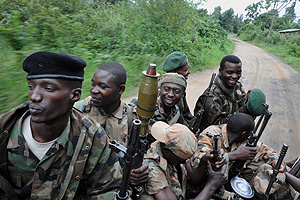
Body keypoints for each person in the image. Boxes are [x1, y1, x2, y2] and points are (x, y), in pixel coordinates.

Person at [0, 51, 122, 199]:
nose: (34, 96)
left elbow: (109, 189)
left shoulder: (93, 137)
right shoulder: (5, 130)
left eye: (48, 88)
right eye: (31, 87)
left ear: (75, 95)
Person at [189, 112, 295, 199]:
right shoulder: (211, 134)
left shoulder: (242, 139)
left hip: (228, 179)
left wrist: (275, 160)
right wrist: (233, 155)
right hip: (205, 186)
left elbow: (265, 150)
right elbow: (198, 162)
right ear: (244, 133)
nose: (250, 136)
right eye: (250, 133)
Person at [74, 62, 148, 184]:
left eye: (102, 87)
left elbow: (139, 152)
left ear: (120, 89)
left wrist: (142, 168)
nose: (94, 90)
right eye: (93, 84)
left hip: (113, 183)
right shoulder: (80, 109)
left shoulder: (131, 118)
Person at [141, 121, 228, 200]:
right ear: (167, 150)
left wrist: (203, 161)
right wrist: (212, 185)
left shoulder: (175, 148)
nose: (183, 162)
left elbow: (193, 178)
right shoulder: (152, 168)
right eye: (180, 160)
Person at [194, 55, 266, 132]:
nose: (235, 76)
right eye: (230, 72)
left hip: (233, 132)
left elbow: (245, 106)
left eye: (238, 73)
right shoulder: (212, 95)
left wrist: (251, 104)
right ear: (221, 72)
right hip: (212, 136)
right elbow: (218, 126)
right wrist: (244, 110)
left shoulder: (237, 87)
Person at [162, 52, 193, 125]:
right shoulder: (166, 94)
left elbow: (186, 113)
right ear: (174, 73)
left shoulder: (180, 87)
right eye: (185, 70)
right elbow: (178, 120)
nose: (189, 72)